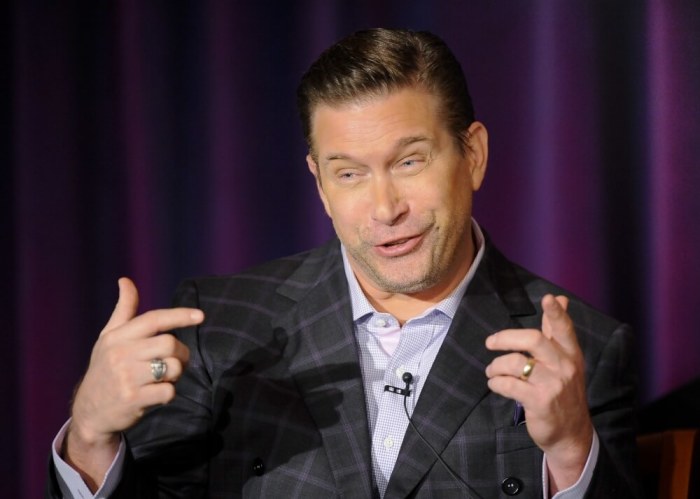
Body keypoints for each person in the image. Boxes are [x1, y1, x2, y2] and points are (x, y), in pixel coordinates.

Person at [47, 28, 641, 498]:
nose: (385, 208)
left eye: (410, 161)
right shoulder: (220, 325)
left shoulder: (583, 349)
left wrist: (569, 452)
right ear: (321, 185)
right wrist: (92, 436)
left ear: (473, 155)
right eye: (350, 174)